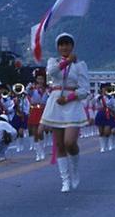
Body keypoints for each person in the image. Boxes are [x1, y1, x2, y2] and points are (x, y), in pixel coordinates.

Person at [40, 32, 90, 192]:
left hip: (72, 103)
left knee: (70, 143)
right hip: (56, 103)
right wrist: (66, 62)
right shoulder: (52, 61)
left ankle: (75, 171)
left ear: (72, 46)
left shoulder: (80, 65)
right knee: (59, 144)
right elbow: (51, 73)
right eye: (61, 44)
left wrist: (69, 98)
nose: (64, 47)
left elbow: (85, 89)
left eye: (67, 44)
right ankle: (65, 180)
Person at [27, 69, 49, 162]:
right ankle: (38, 153)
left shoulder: (47, 90)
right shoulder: (33, 89)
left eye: (42, 79)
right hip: (34, 110)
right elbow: (27, 92)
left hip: (43, 110)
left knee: (41, 132)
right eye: (38, 79)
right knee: (35, 132)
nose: (40, 80)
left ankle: (42, 150)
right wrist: (30, 88)